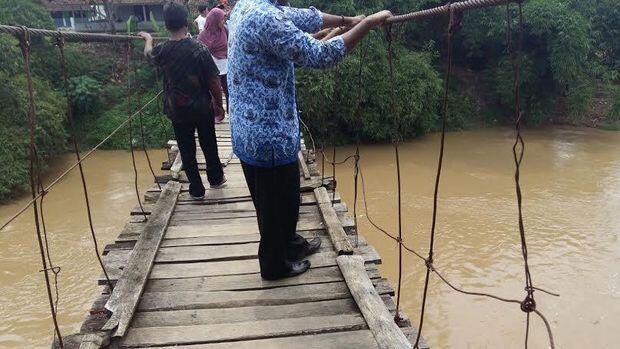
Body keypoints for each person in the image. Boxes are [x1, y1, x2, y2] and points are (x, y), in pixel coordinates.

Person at [228, 0, 391, 280]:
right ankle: (273, 265)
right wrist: (366, 24)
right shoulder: (266, 17)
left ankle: (289, 244)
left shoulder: (248, 4)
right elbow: (320, 56)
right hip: (266, 134)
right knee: (272, 203)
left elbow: (301, 17)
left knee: (287, 195)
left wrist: (346, 20)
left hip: (257, 126)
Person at [138, 1, 227, 201]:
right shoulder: (199, 49)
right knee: (209, 143)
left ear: (167, 25)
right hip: (203, 107)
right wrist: (219, 106)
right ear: (186, 22)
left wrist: (149, 39)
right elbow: (213, 80)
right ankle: (215, 178)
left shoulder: (163, 50)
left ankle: (196, 189)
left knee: (187, 149)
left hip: (177, 110)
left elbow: (149, 55)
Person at [198, 7, 229, 123]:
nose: (223, 22)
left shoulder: (225, 30)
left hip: (225, 65)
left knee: (228, 90)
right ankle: (218, 114)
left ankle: (231, 113)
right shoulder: (202, 36)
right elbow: (200, 53)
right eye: (222, 19)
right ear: (214, 20)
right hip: (212, 68)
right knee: (214, 92)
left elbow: (230, 45)